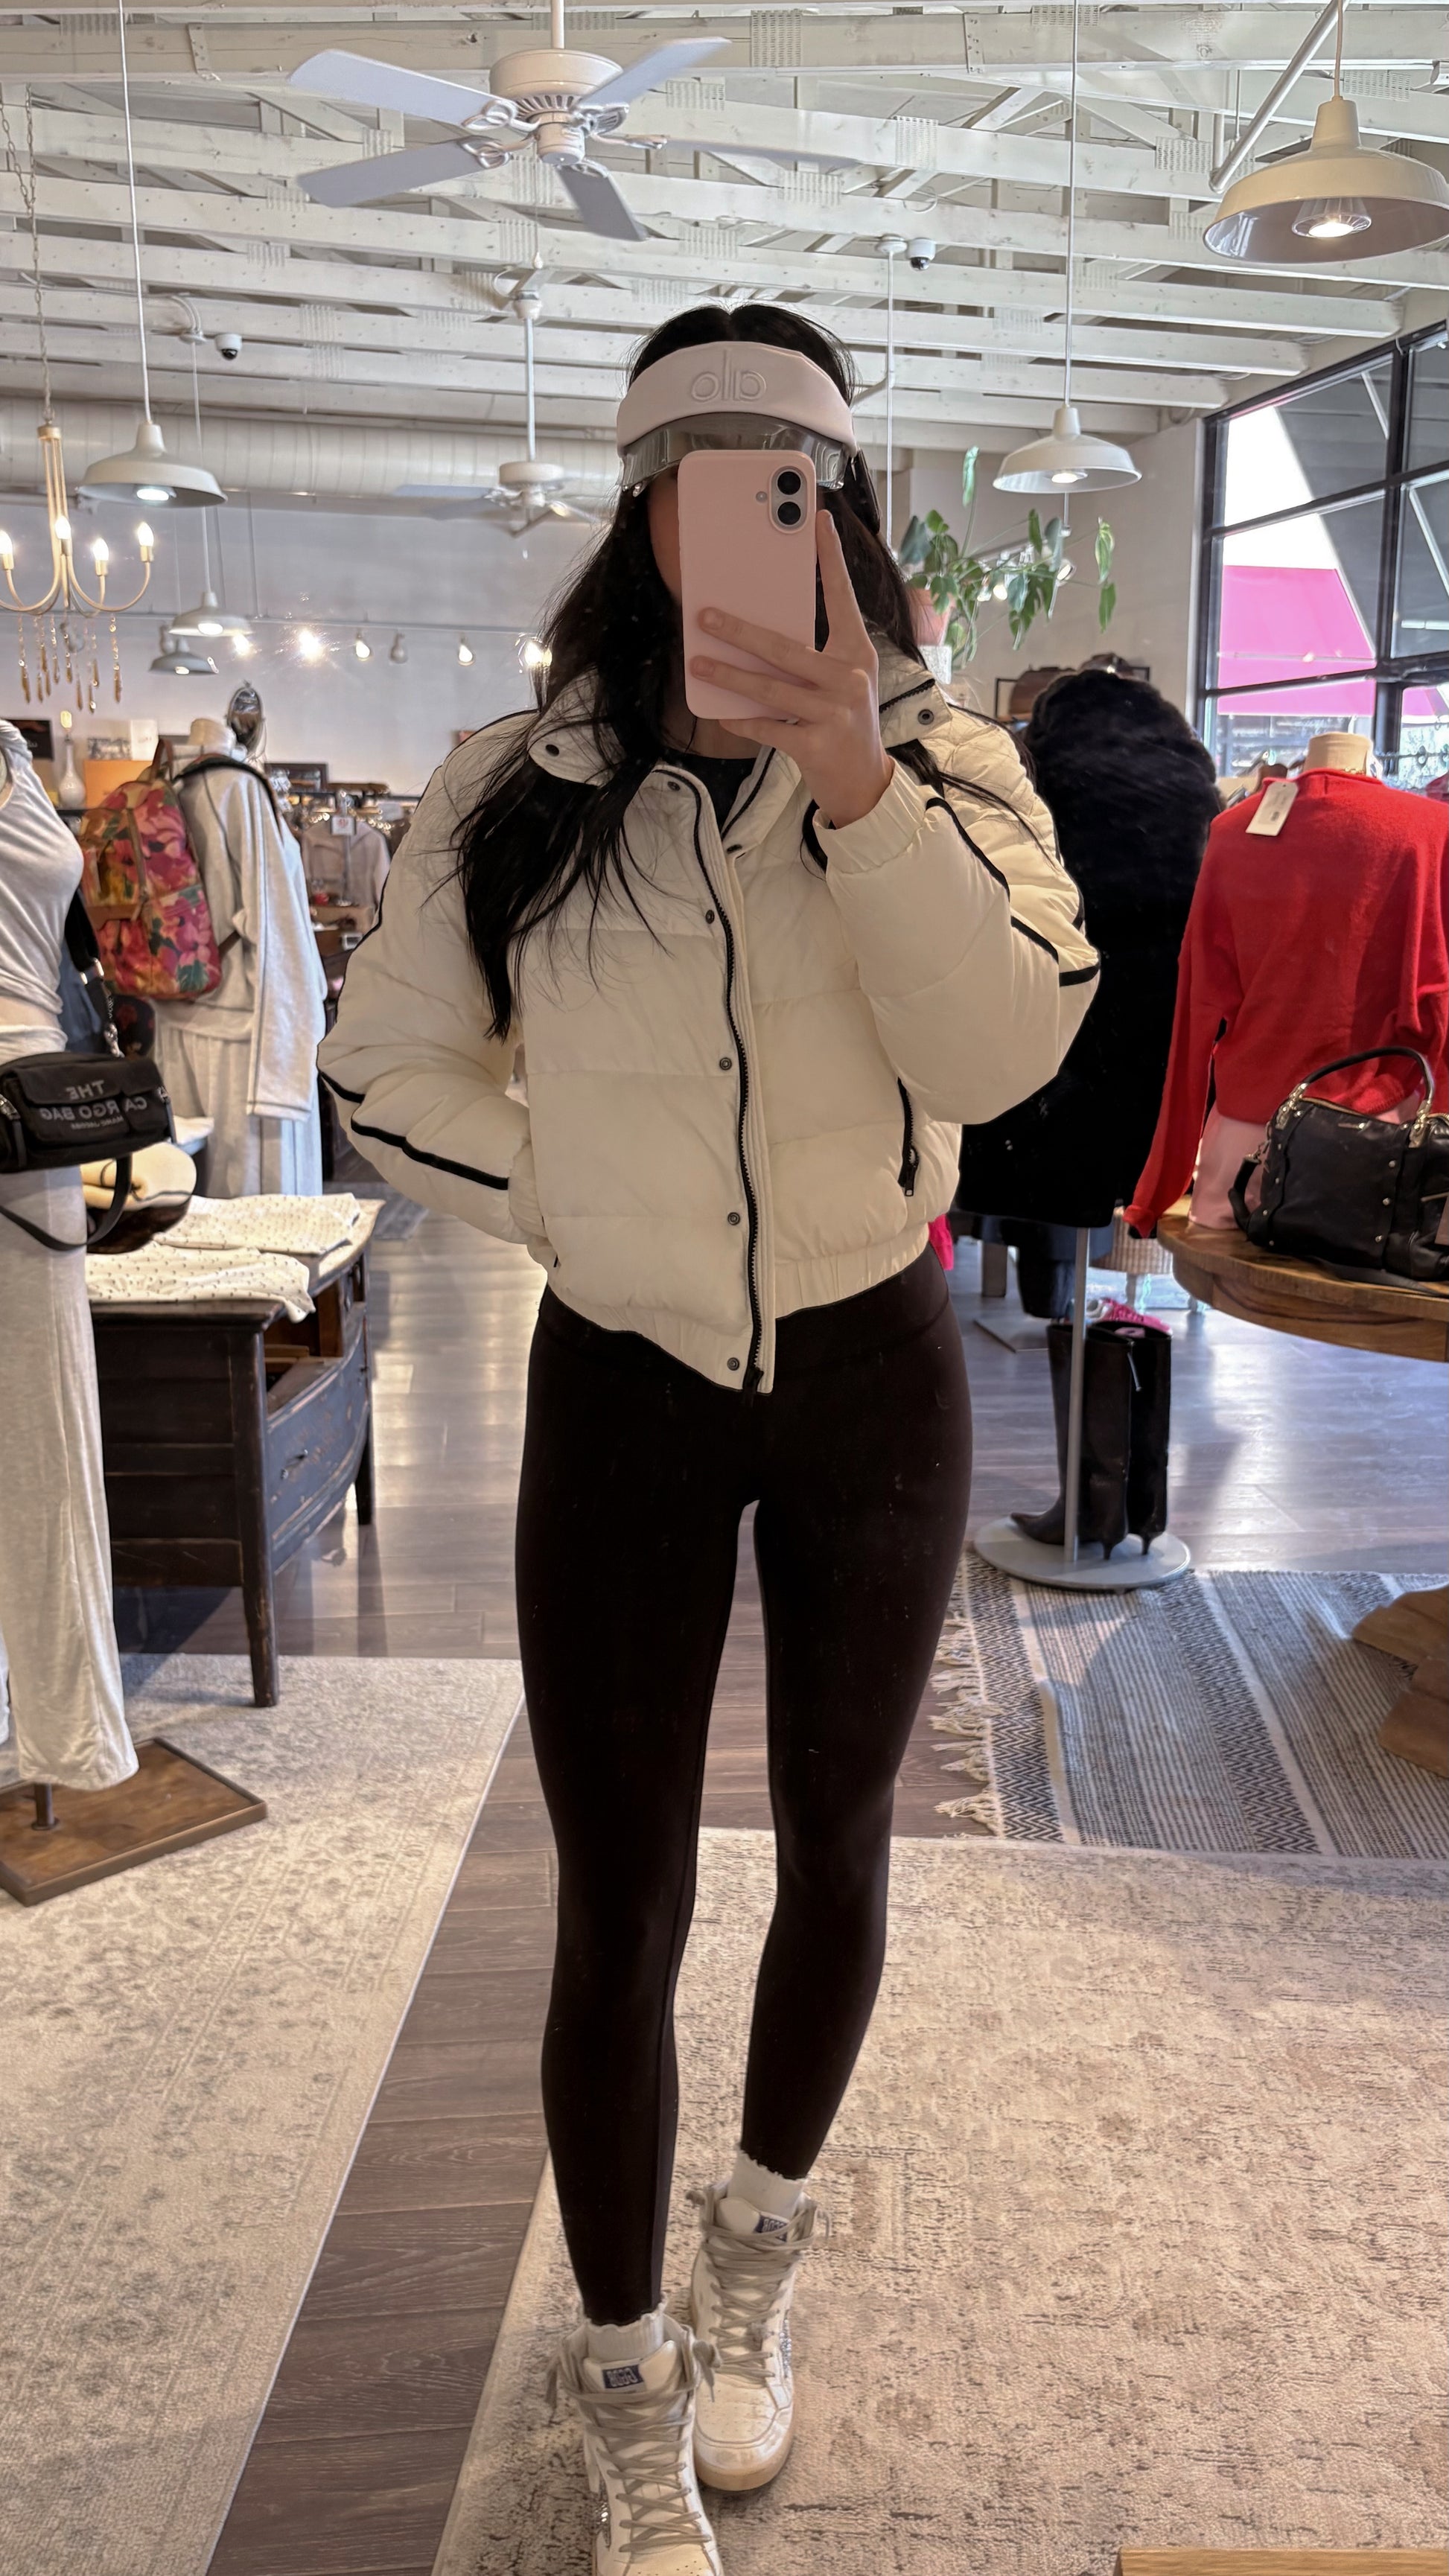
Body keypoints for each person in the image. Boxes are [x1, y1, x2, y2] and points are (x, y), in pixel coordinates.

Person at [320, 306, 1098, 2573]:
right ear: (641, 508)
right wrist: (579, 1199)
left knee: (840, 1839)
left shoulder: (948, 765)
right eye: (706, 470)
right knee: (620, 1889)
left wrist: (859, 787)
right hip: (623, 1376)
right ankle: (623, 2363)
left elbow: (1003, 1055)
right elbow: (385, 1070)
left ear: (837, 504)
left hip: (873, 1363)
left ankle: (754, 2252)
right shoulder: (512, 788)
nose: (753, 510)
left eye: (794, 471)